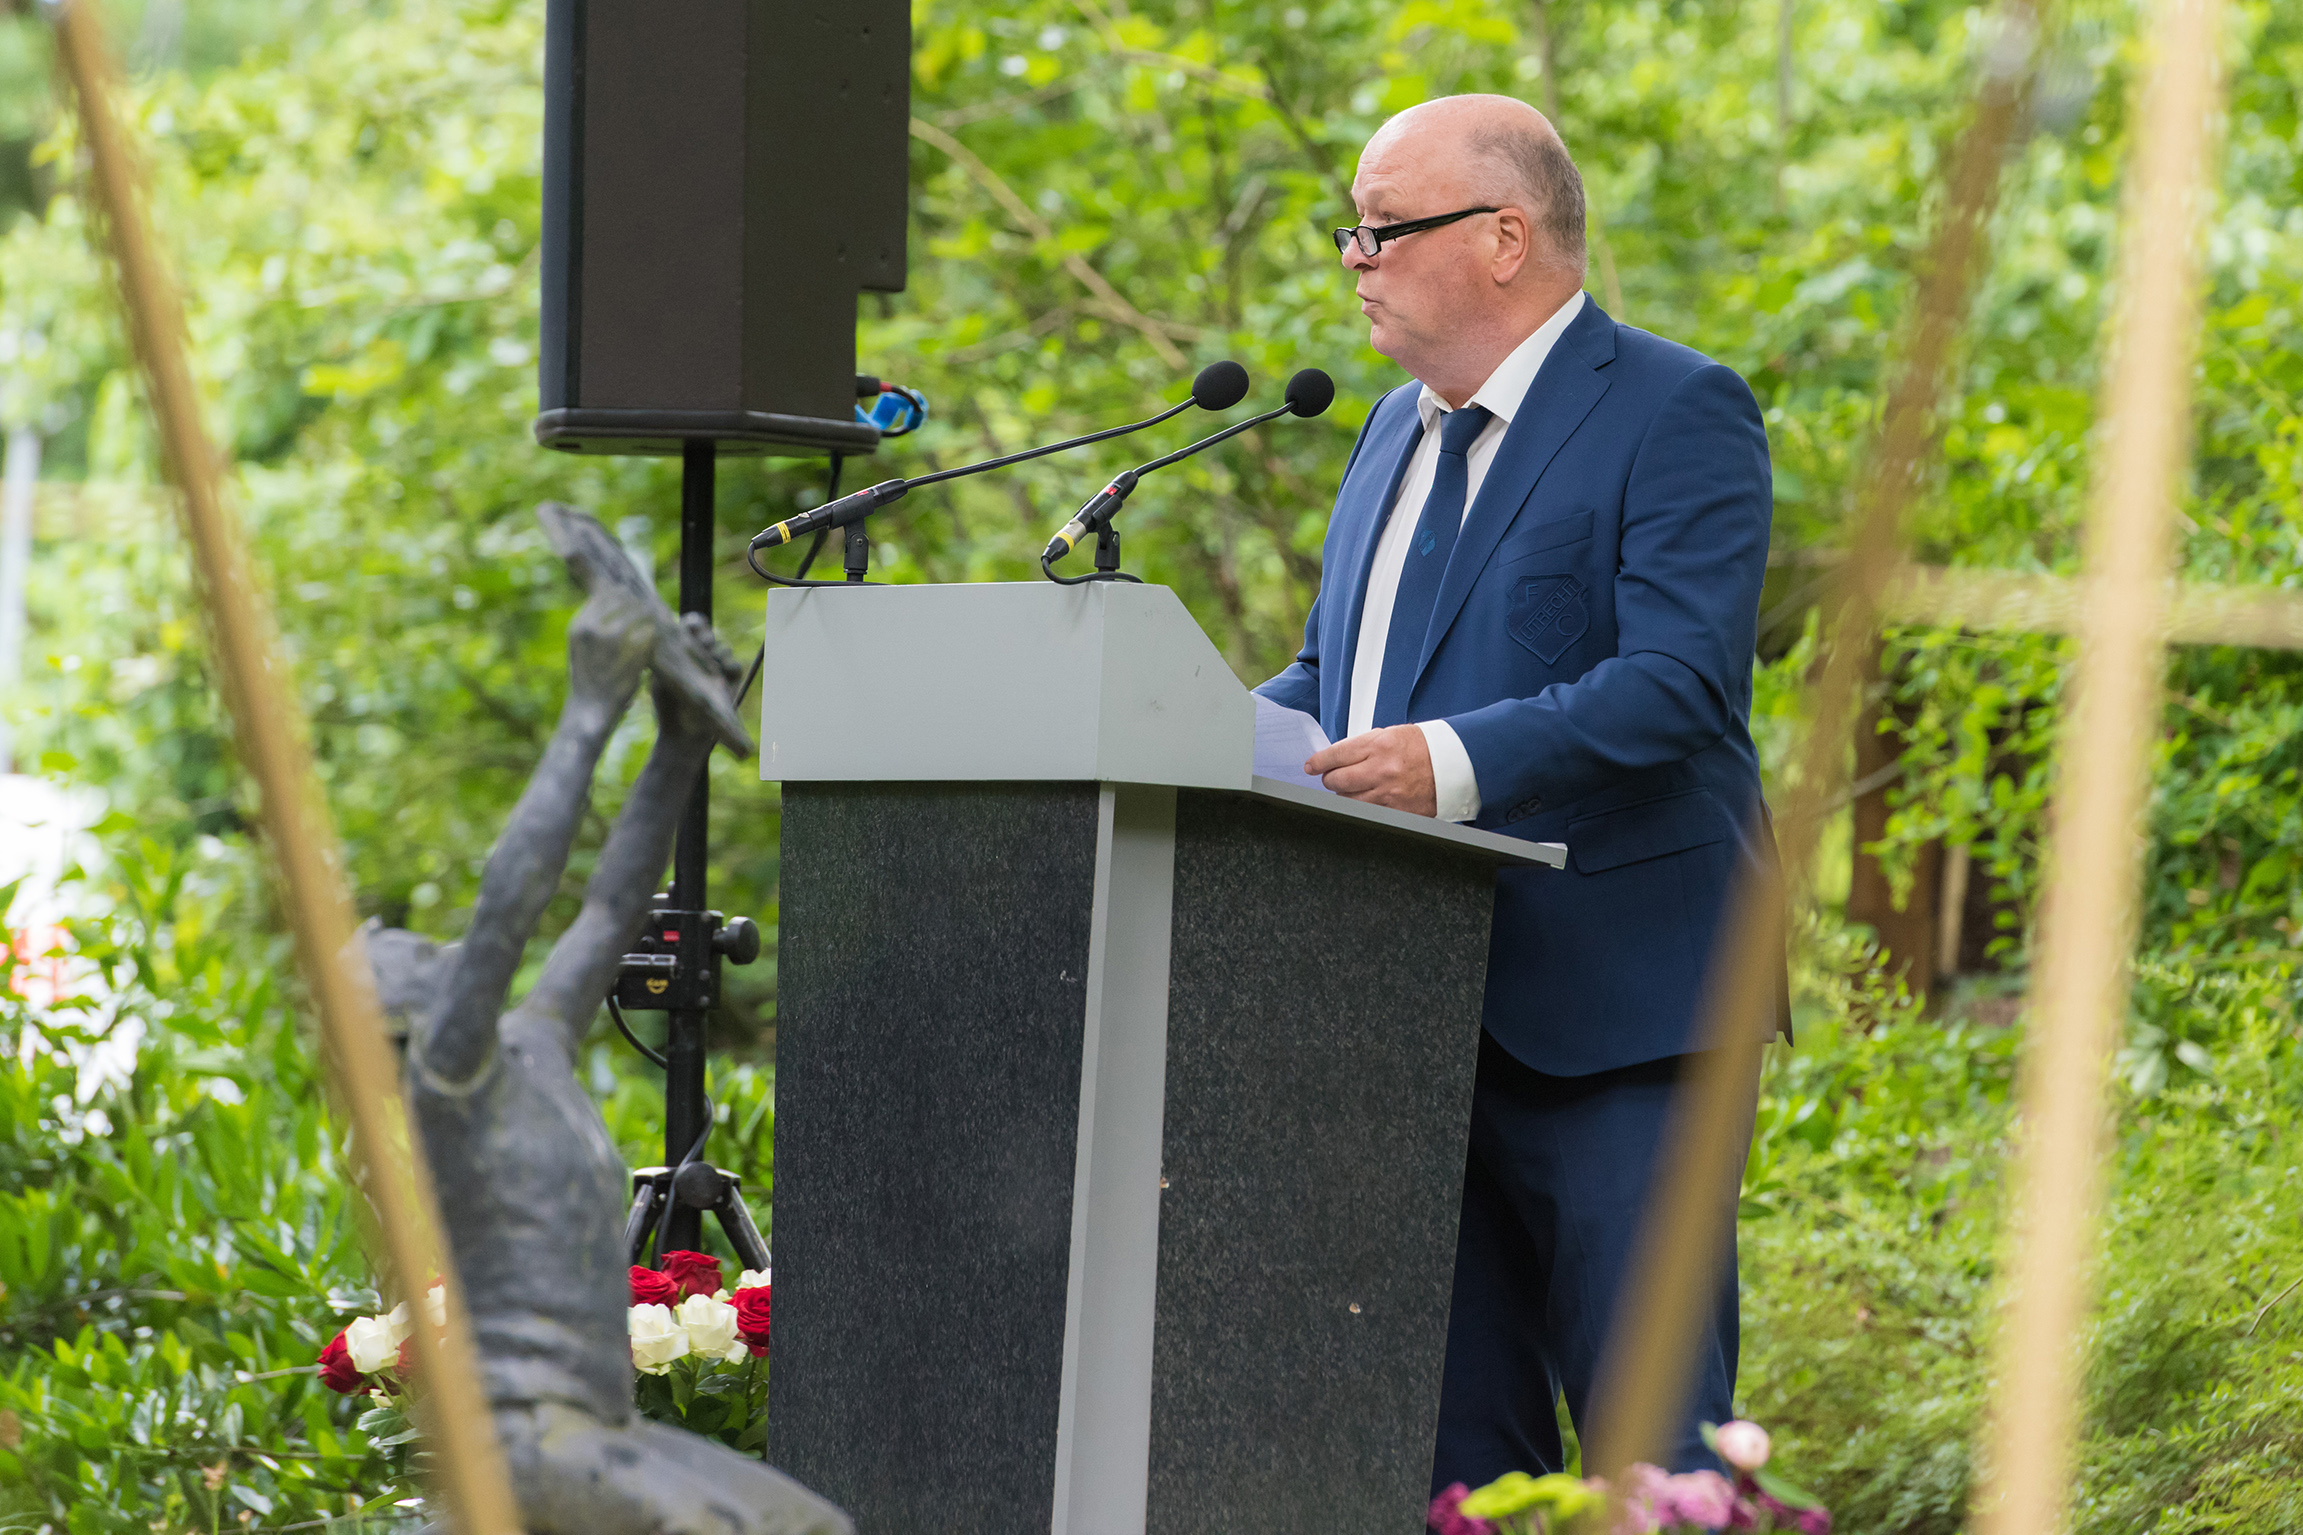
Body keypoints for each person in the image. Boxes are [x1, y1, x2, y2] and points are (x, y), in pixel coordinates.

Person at [1253, 94, 1781, 1490]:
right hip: (1407, 1022)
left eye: (1381, 229)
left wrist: (1455, 761)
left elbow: (1680, 687)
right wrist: (1183, 735)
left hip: (1621, 1017)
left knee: (1646, 1457)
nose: (1354, 260)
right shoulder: (1386, 433)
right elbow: (1334, 679)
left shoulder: (1677, 410)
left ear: (1504, 237)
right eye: (1348, 233)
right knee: (1454, 1474)